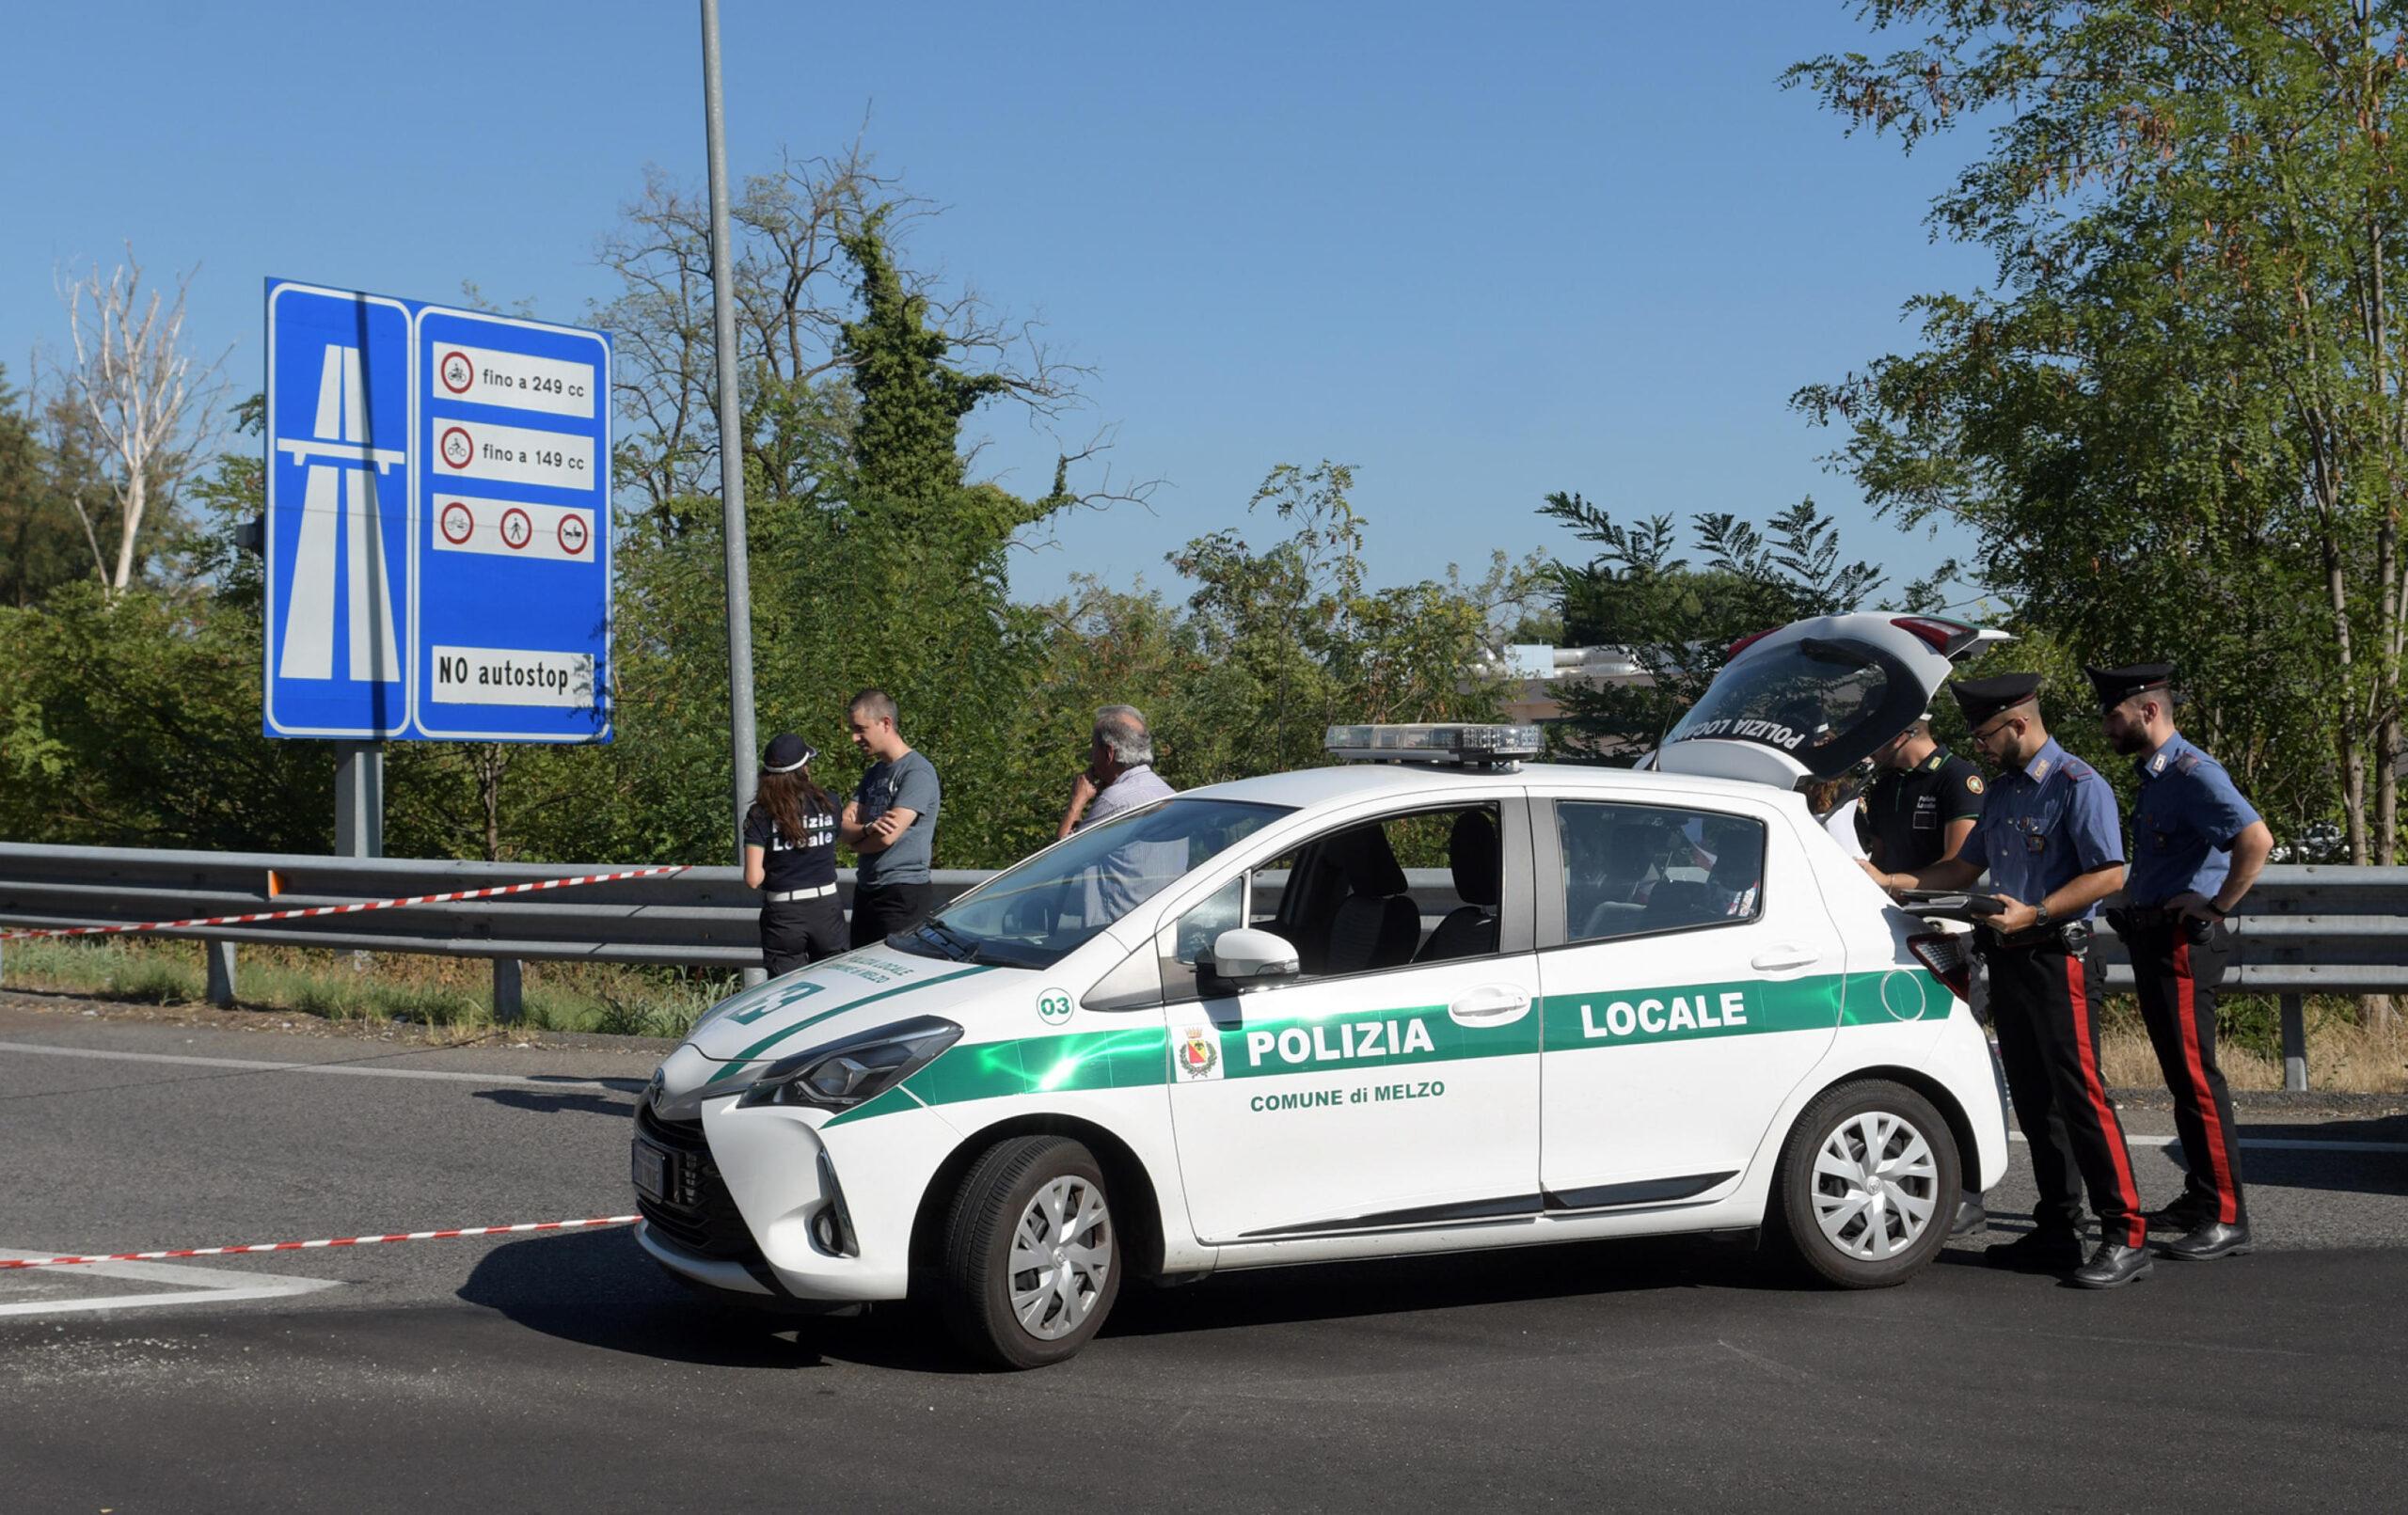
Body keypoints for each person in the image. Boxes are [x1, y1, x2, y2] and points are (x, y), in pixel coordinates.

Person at [1864, 672, 2151, 1288]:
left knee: (2082, 1097)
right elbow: (1964, 867)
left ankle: (2125, 1230)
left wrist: (2041, 911)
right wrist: (1886, 882)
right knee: (2036, 1098)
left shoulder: (2078, 784)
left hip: (2060, 955)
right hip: (2012, 954)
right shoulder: (2000, 793)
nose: (1980, 745)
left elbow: (2109, 874)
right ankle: (2058, 1226)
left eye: (1986, 732)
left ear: (2019, 723)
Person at [2092, 662, 2273, 1263]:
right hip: (2153, 939)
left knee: (2197, 1081)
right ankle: (2201, 1197)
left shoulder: (2194, 772)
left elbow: (2256, 840)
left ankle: (2226, 1215)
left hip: (2182, 945)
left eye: (2114, 717)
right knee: (2181, 1079)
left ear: (2149, 711)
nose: (2107, 729)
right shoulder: (2156, 774)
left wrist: (2216, 907)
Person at [1859, 712, 1990, 1238]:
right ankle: (1922, 1186)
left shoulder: (1958, 777)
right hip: (1896, 933)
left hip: (1947, 933)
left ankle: (1970, 1191)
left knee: (1956, 1061)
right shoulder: (1886, 784)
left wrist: (1889, 881)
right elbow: (1879, 854)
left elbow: (1961, 866)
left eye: (1877, 738)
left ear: (1904, 731)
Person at [839, 689, 942, 948]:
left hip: (902, 895)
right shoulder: (874, 773)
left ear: (885, 723)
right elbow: (841, 826)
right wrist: (866, 829)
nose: (854, 738)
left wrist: (856, 840)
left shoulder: (917, 772)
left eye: (861, 729)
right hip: (867, 890)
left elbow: (886, 836)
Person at [742, 733, 843, 976]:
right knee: (834, 985)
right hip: (826, 907)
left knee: (786, 994)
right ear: (804, 768)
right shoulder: (830, 802)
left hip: (783, 913)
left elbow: (753, 878)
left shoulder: (760, 814)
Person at [1056, 704, 1176, 839]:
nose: (1091, 755)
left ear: (1109, 753)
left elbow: (1065, 851)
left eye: (1093, 747)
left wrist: (1077, 800)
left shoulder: (1114, 800)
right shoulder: (1167, 791)